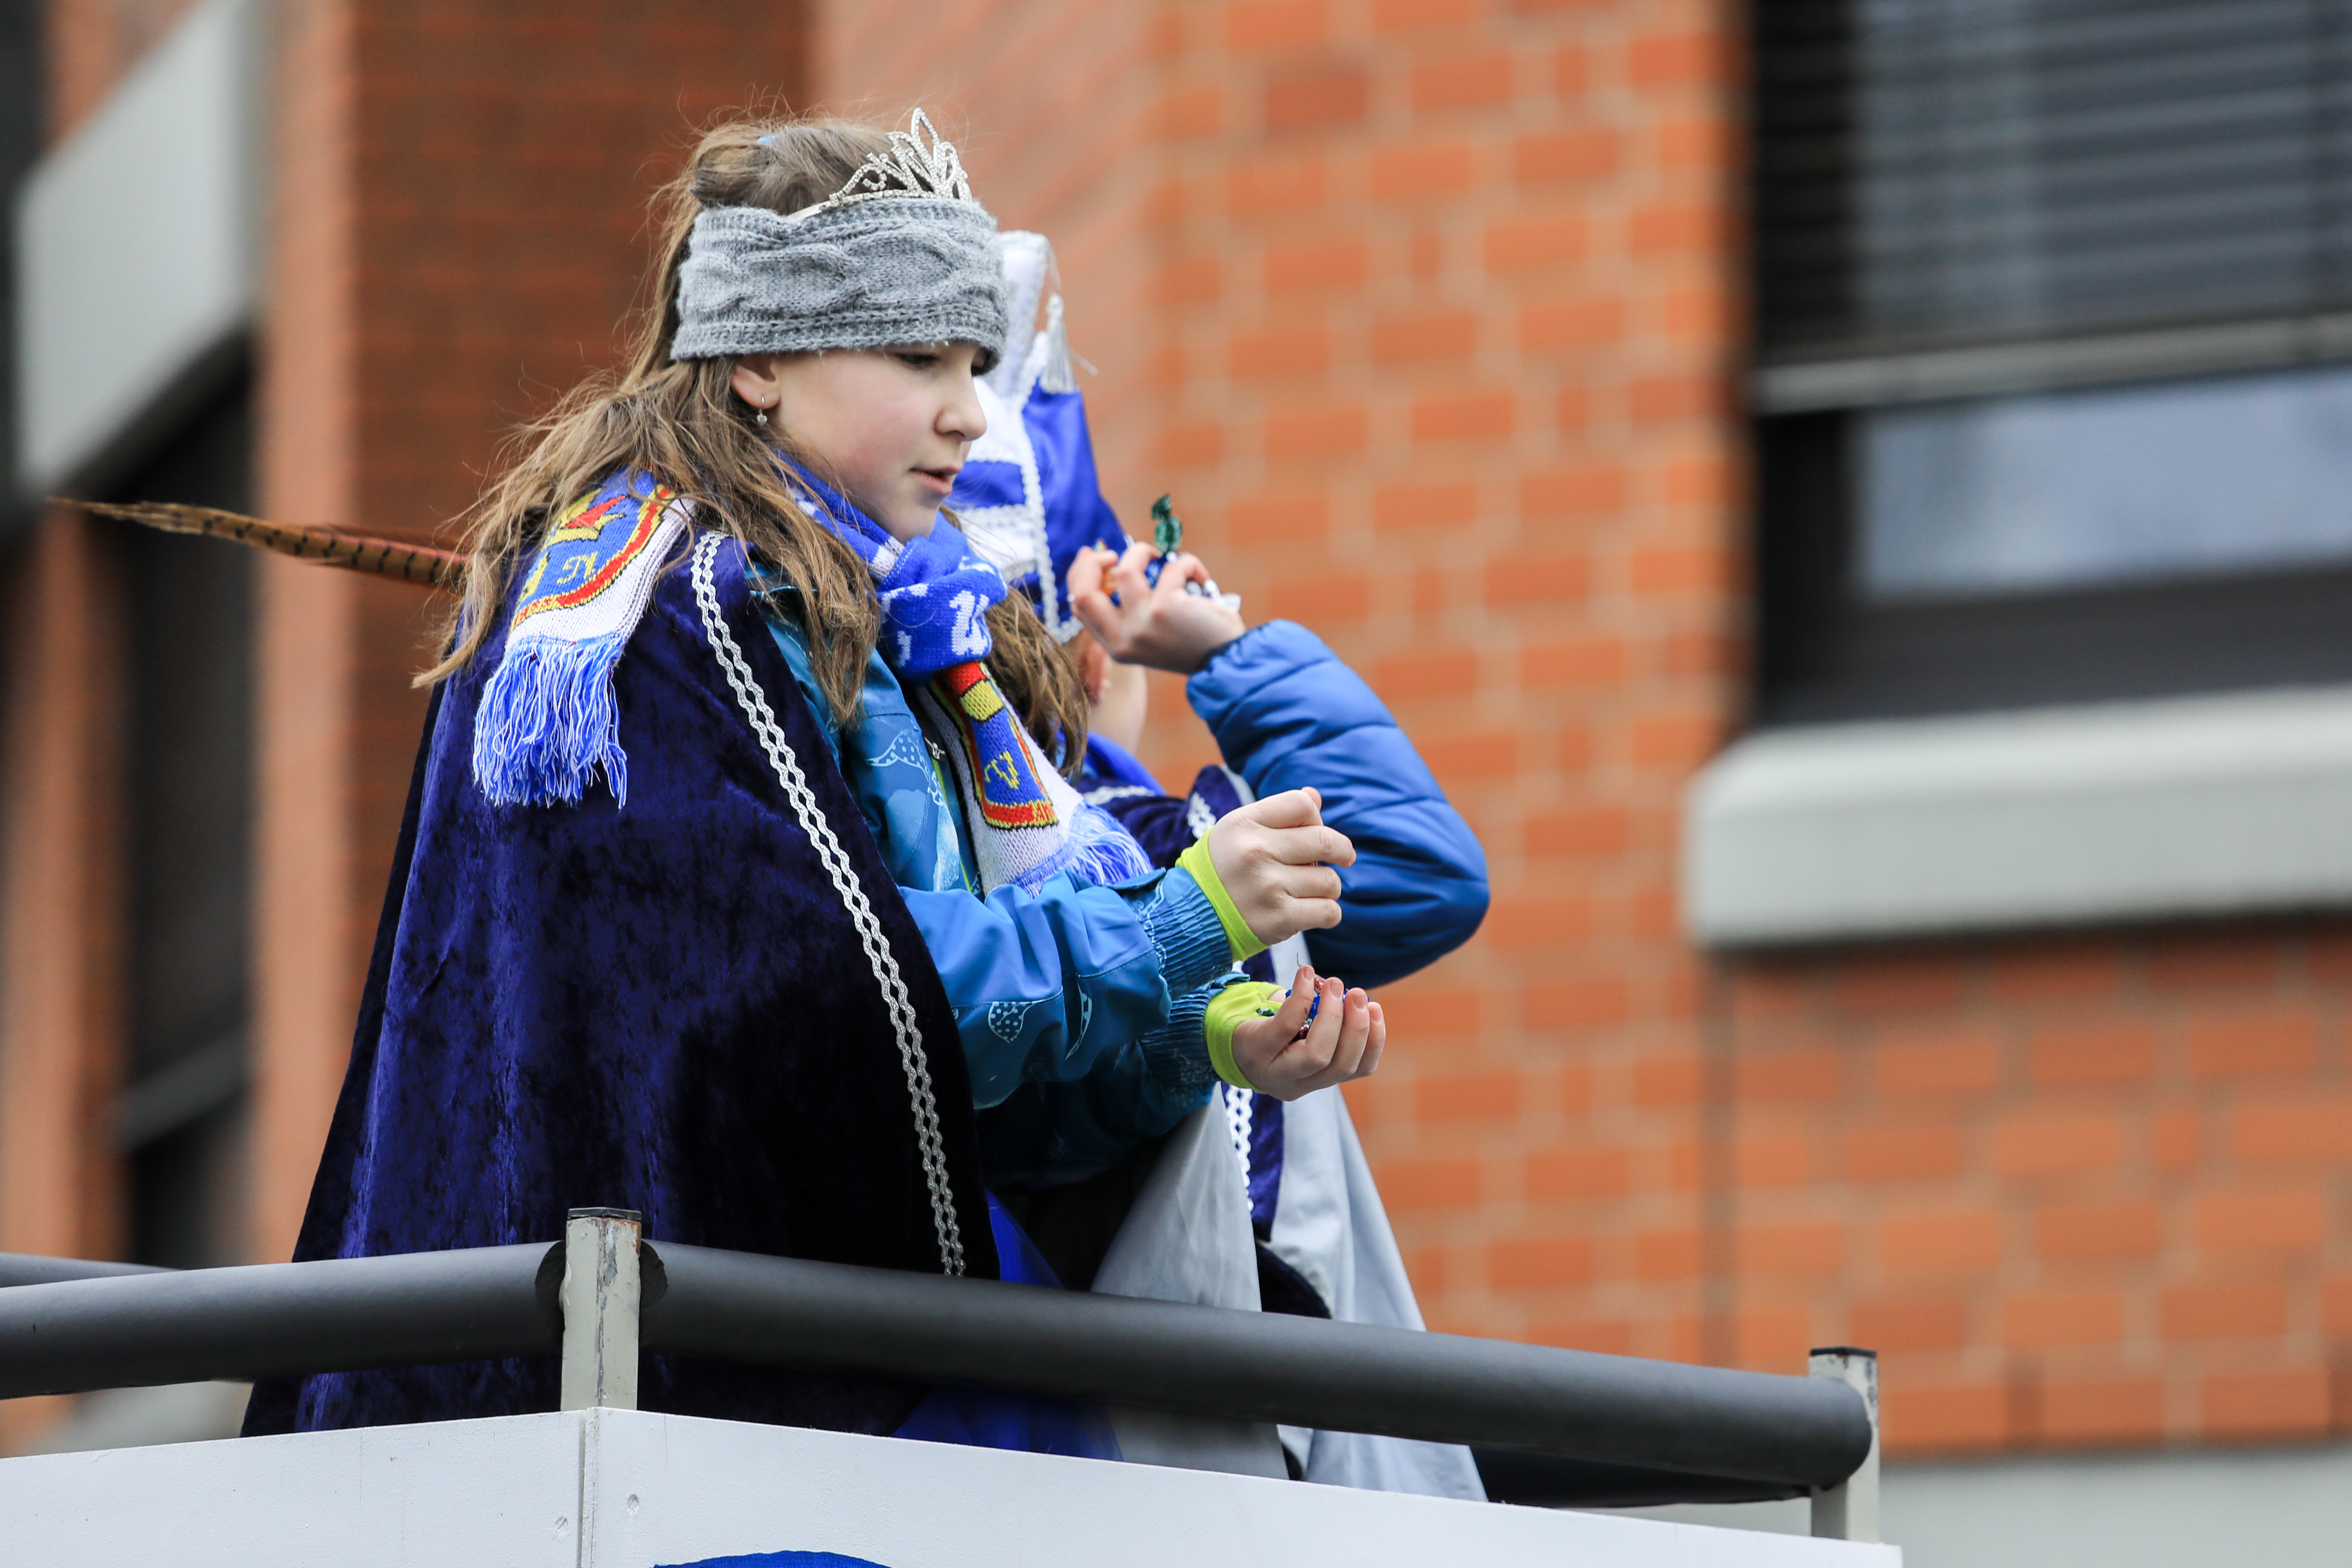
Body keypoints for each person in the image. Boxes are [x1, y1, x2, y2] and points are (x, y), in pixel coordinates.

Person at [242, 109, 1385, 1452]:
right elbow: (833, 998)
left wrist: (1192, 1045)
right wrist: (1179, 923)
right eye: (917, 355)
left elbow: (918, 1083)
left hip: (829, 1374)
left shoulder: (854, 606)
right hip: (707, 1420)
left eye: (974, 360)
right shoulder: (664, 618)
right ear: (760, 360)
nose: (968, 409)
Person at [945, 239, 1490, 1494]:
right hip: (1160, 1431)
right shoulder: (1158, 842)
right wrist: (1224, 650)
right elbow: (1426, 868)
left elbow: (1417, 880)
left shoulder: (1120, 831)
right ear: (1094, 661)